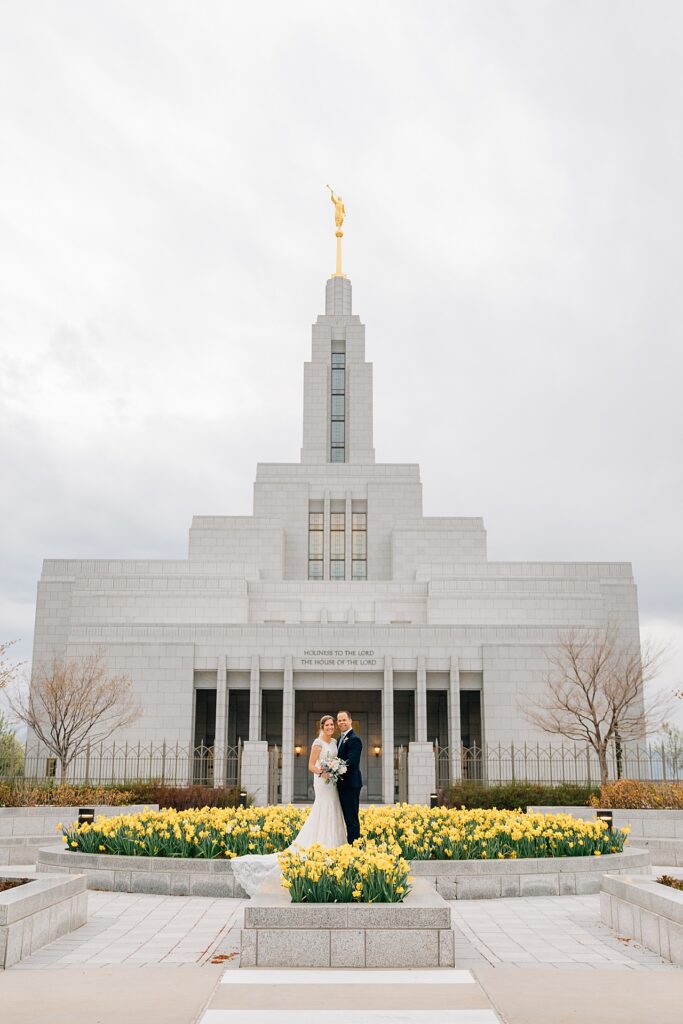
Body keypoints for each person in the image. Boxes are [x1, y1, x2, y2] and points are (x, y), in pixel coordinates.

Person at [230, 714, 347, 896]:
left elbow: (336, 760)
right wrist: (323, 772)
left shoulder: (334, 742)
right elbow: (311, 765)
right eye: (328, 725)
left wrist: (335, 769)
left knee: (334, 807)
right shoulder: (318, 743)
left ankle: (334, 845)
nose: (331, 727)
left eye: (332, 724)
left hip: (332, 783)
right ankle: (320, 844)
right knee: (323, 808)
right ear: (322, 727)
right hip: (322, 781)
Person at [335, 709, 363, 844]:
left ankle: (354, 846)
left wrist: (334, 767)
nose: (342, 722)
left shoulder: (354, 739)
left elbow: (352, 761)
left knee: (351, 818)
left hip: (350, 784)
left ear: (350, 721)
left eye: (344, 720)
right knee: (345, 817)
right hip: (341, 785)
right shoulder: (339, 739)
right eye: (339, 720)